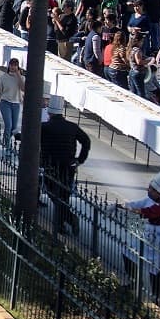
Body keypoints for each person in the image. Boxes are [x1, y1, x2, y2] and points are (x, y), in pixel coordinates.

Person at [40, 96, 90, 235]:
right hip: (68, 166)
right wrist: (80, 160)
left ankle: (68, 220)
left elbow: (29, 136)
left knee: (53, 193)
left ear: (49, 113)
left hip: (51, 165)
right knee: (64, 195)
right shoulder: (72, 127)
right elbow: (86, 141)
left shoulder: (45, 127)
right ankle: (62, 224)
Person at [117, 169, 160, 301]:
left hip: (158, 241)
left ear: (158, 192)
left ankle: (158, 298)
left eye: (151, 189)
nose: (148, 190)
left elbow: (146, 212)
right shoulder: (150, 199)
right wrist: (121, 206)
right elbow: (136, 204)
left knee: (156, 269)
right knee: (128, 252)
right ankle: (134, 281)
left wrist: (129, 209)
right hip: (147, 236)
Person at [0, 58, 25, 151]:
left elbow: (23, 88)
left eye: (15, 65)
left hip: (16, 104)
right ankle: (7, 146)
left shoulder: (21, 78)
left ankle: (9, 139)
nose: (13, 67)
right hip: (5, 103)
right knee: (8, 125)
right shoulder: (3, 78)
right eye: (11, 65)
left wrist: (18, 74)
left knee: (14, 127)